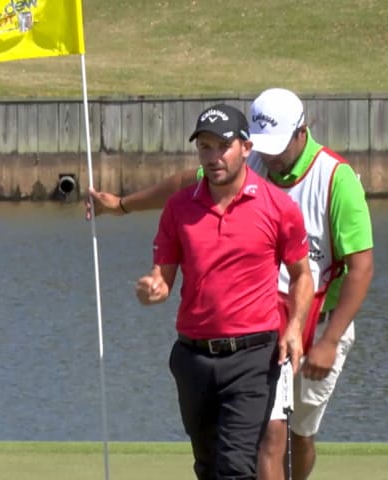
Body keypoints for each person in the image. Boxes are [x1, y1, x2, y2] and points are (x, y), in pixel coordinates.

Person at [89, 88, 374, 480]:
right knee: (268, 439)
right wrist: (121, 205)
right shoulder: (245, 160)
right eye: (262, 146)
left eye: (279, 146)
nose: (269, 157)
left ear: (301, 132)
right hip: (261, 325)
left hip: (321, 320)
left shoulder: (335, 179)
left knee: (300, 435)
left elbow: (360, 268)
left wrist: (327, 342)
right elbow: (180, 185)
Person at [135, 103, 313, 480]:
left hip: (252, 358)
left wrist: (295, 327)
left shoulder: (277, 207)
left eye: (222, 146)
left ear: (246, 148)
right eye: (205, 147)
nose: (214, 157)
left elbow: (301, 275)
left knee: (235, 468)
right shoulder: (179, 208)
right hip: (193, 358)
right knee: (208, 467)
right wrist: (153, 289)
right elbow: (163, 278)